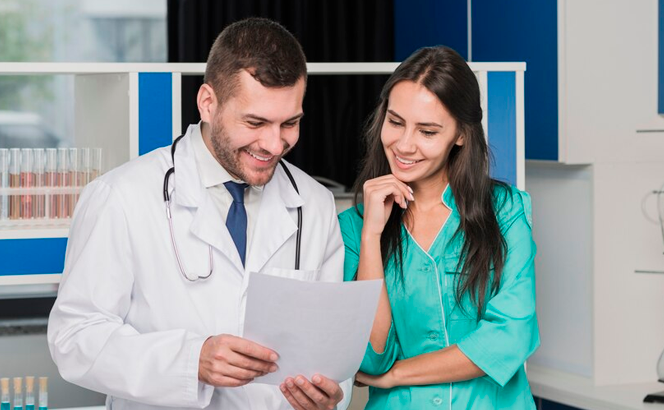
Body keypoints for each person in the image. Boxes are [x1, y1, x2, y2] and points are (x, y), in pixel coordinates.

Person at [48, 17, 350, 410]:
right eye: (255, 122)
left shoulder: (314, 204)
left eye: (289, 123)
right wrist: (191, 361)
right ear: (208, 103)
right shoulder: (121, 197)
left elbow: (328, 346)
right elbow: (74, 338)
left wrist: (329, 397)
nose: (275, 144)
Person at [338, 46, 539, 409]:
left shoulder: (505, 211)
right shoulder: (353, 229)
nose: (403, 144)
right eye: (395, 122)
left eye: (427, 132)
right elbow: (371, 359)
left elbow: (510, 338)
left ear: (460, 135)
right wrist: (371, 236)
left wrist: (398, 375)